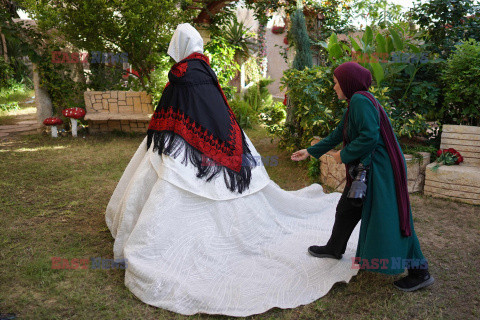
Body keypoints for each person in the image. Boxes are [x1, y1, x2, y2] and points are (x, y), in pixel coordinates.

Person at [105, 24, 361, 316]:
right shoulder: (206, 69)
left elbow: (172, 107)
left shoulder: (181, 73)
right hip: (224, 135)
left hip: (185, 138)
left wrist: (167, 132)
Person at [291, 61, 435, 292]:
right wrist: (311, 151)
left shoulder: (360, 100)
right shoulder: (356, 102)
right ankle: (334, 248)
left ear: (348, 82)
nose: (334, 87)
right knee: (348, 207)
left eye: (336, 83)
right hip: (368, 168)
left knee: (394, 220)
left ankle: (420, 272)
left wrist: (342, 155)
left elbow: (369, 136)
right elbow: (341, 132)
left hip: (380, 170)